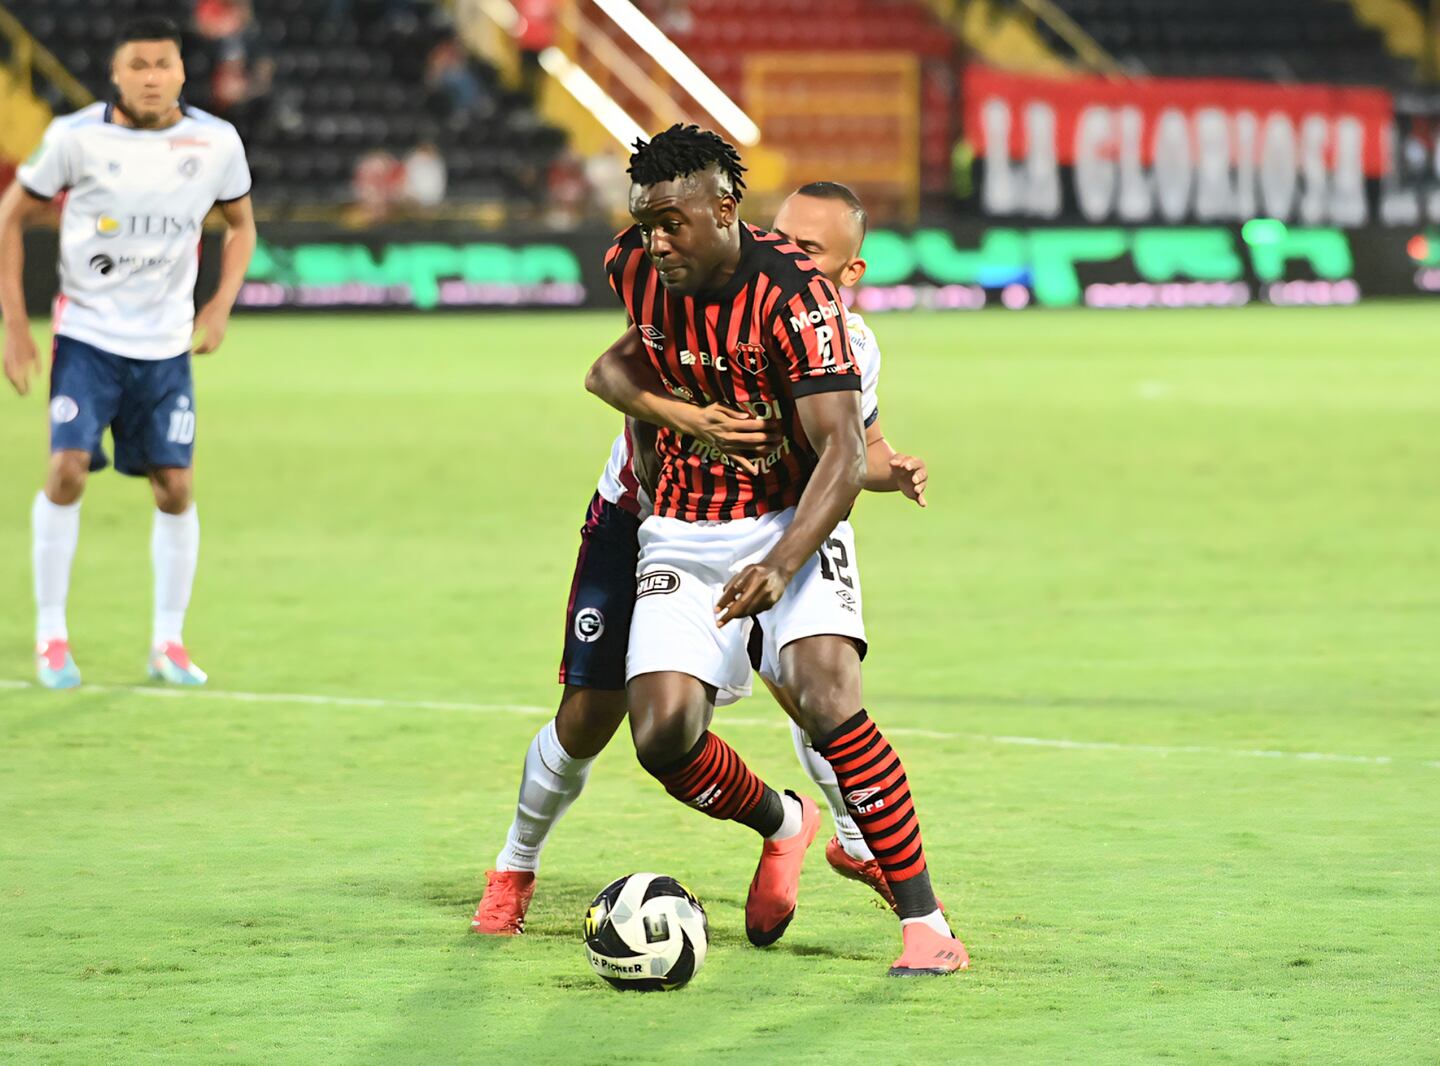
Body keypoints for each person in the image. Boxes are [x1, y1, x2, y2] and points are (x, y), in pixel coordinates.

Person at [486, 125, 965, 976]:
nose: (654, 242)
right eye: (644, 223)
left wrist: (781, 564)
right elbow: (612, 371)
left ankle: (925, 924)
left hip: (791, 524)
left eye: (670, 223)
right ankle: (786, 825)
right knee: (661, 734)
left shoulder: (799, 304)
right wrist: (692, 421)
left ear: (723, 208)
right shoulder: (637, 269)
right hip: (674, 524)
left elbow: (847, 457)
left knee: (826, 694)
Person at [0, 17, 257, 689]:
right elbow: (9, 216)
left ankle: (168, 643)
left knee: (175, 487)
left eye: (163, 64)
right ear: (115, 73)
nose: (151, 76)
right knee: (67, 471)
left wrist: (222, 300)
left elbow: (241, 226)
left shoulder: (215, 141)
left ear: (180, 71)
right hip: (88, 337)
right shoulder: (74, 138)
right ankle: (51, 635)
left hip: (165, 347)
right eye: (137, 65)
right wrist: (15, 325)